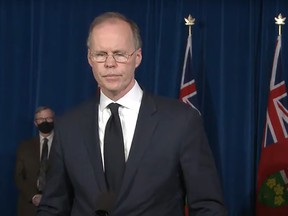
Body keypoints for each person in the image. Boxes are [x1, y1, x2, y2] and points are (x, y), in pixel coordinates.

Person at [37, 12, 227, 216]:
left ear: (137, 57)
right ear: (90, 59)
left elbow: (208, 207)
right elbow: (53, 207)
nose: (110, 64)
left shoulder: (181, 121)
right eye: (101, 54)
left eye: (119, 54)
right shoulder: (68, 127)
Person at [15, 106, 55, 216]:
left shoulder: (64, 145)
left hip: (57, 206)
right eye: (41, 119)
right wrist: (33, 196)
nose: (45, 122)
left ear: (54, 120)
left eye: (48, 118)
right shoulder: (25, 147)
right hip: (29, 207)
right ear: (35, 123)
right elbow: (18, 176)